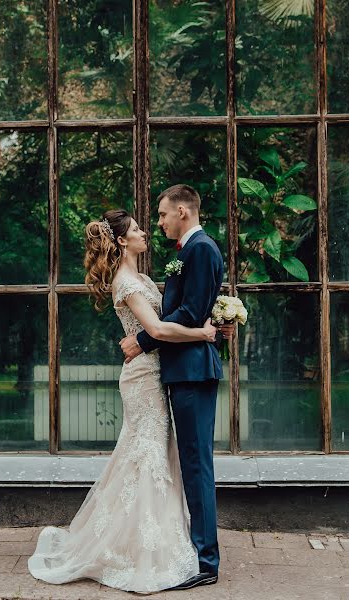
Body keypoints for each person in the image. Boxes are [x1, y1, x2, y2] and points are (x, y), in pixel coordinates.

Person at [28, 207, 232, 594]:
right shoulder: (126, 282)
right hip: (143, 379)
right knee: (146, 456)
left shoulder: (141, 277)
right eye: (138, 229)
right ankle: (140, 547)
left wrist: (213, 320)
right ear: (121, 240)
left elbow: (179, 313)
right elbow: (156, 327)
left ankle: (148, 539)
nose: (147, 232)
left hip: (158, 371)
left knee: (153, 457)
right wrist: (202, 335)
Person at [120, 184, 226, 590]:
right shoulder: (189, 251)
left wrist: (142, 340)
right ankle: (197, 551)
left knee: (197, 465)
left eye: (163, 214)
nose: (159, 221)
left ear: (183, 211)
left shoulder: (200, 249)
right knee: (191, 464)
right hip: (183, 369)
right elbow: (197, 313)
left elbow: (192, 312)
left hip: (192, 371)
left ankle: (205, 562)